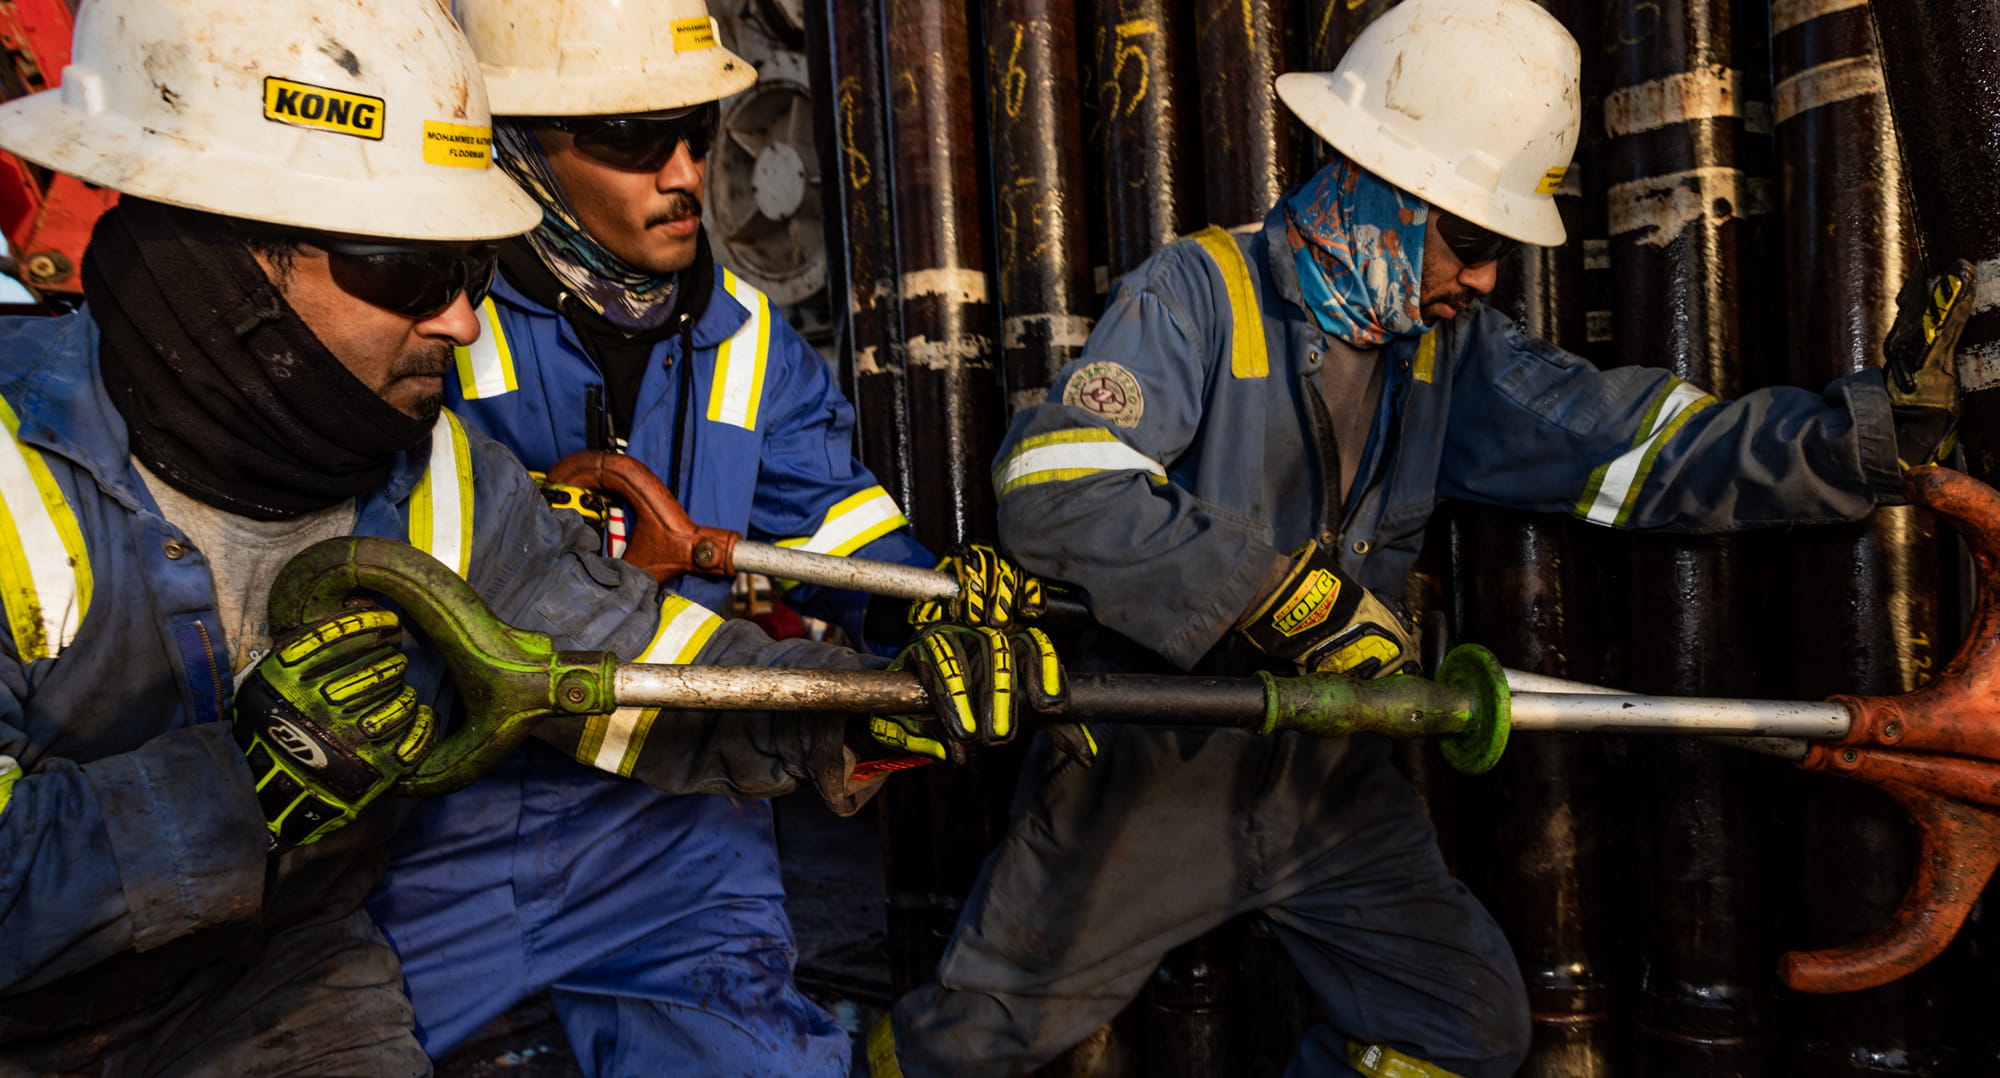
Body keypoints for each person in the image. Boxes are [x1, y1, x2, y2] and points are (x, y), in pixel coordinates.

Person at [875, 1, 1962, 1075]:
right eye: (1473, 241)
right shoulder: (1198, 293)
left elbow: (1635, 448)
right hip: (1156, 774)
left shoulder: (1445, 354)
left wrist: (1861, 440)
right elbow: (1058, 485)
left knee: (1464, 1029)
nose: (1485, 277)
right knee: (970, 1043)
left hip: (1330, 787)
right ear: (1385, 188)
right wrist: (1270, 593)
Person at [0, 1, 1051, 1073]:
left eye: (465, 271)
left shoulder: (445, 470)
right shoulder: (18, 478)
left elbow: (645, 656)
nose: (461, 319)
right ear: (222, 252)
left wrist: (878, 704)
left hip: (316, 966)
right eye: (408, 270)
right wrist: (239, 788)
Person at [360, 2, 978, 1072]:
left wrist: (938, 620)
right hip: (444, 807)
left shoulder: (746, 340)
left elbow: (840, 533)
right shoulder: (425, 326)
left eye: (695, 129)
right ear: (516, 147)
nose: (686, 173)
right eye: (633, 140)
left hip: (679, 807)